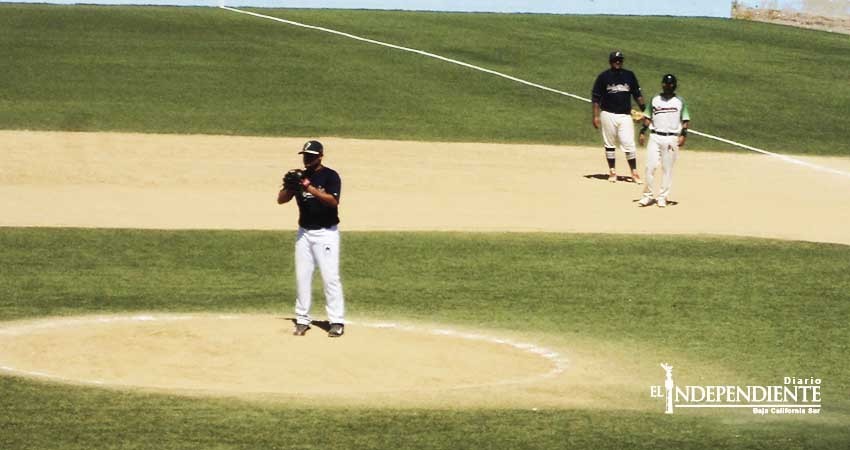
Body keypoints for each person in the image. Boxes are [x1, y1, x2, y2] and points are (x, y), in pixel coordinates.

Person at [277, 140, 346, 337]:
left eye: (311, 155)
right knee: (302, 277)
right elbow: (281, 200)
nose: (307, 158)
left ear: (320, 156)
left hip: (326, 233)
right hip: (304, 234)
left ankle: (336, 321)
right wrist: (290, 186)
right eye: (305, 155)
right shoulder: (300, 176)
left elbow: (332, 202)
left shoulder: (330, 176)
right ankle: (302, 320)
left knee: (330, 277)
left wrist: (309, 188)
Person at [591, 50, 646, 183]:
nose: (618, 62)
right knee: (609, 144)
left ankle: (634, 172)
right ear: (611, 62)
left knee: (629, 144)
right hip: (607, 114)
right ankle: (612, 171)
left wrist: (645, 111)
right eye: (615, 60)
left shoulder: (629, 75)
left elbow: (637, 95)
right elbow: (596, 98)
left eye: (620, 60)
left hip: (625, 115)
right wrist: (596, 116)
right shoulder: (604, 77)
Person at [637, 74, 690, 208]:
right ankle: (647, 196)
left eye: (670, 84)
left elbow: (685, 120)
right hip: (655, 136)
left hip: (671, 138)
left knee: (667, 169)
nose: (668, 86)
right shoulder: (655, 100)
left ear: (674, 86)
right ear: (662, 84)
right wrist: (643, 131)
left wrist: (683, 135)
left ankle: (662, 197)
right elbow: (648, 117)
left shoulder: (680, 101)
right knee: (650, 167)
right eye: (666, 84)